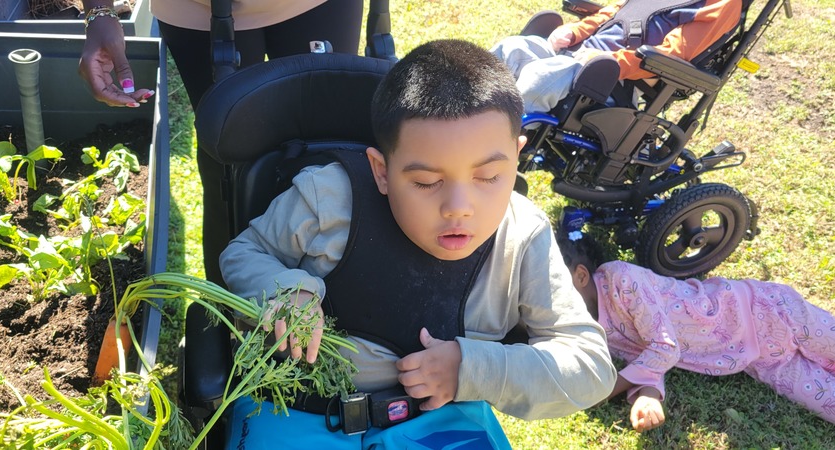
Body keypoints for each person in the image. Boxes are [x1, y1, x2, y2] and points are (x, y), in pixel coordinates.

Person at [218, 39, 617, 449]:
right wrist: (286, 290)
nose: (459, 209)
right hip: (295, 409)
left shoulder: (522, 234)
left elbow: (589, 366)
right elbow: (244, 254)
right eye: (427, 182)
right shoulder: (329, 200)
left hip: (441, 419)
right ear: (382, 171)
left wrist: (473, 369)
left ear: (518, 157)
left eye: (489, 177)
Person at [78, 0, 364, 286]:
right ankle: (227, 316)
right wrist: (99, 12)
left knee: (324, 165)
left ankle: (325, 313)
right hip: (199, 11)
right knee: (225, 170)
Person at [557, 231, 835, 431]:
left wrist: (607, 390)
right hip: (761, 360)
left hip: (771, 311)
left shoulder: (620, 278)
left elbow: (664, 346)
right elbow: (646, 359)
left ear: (580, 276)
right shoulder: (597, 329)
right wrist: (647, 397)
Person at [490, 0, 742, 113]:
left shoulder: (720, 4)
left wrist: (609, 61)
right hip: (579, 52)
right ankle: (459, 118)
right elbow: (613, 13)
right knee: (511, 48)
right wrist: (573, 30)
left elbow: (674, 54)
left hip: (613, 74)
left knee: (540, 76)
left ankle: (496, 150)